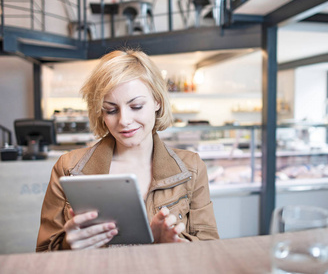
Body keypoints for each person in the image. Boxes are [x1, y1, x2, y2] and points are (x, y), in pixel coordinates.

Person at [36, 48, 219, 251]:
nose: (124, 121)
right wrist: (67, 245)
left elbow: (209, 248)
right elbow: (43, 252)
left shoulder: (191, 168)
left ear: (157, 101)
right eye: (111, 110)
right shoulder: (68, 168)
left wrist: (174, 244)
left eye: (136, 106)